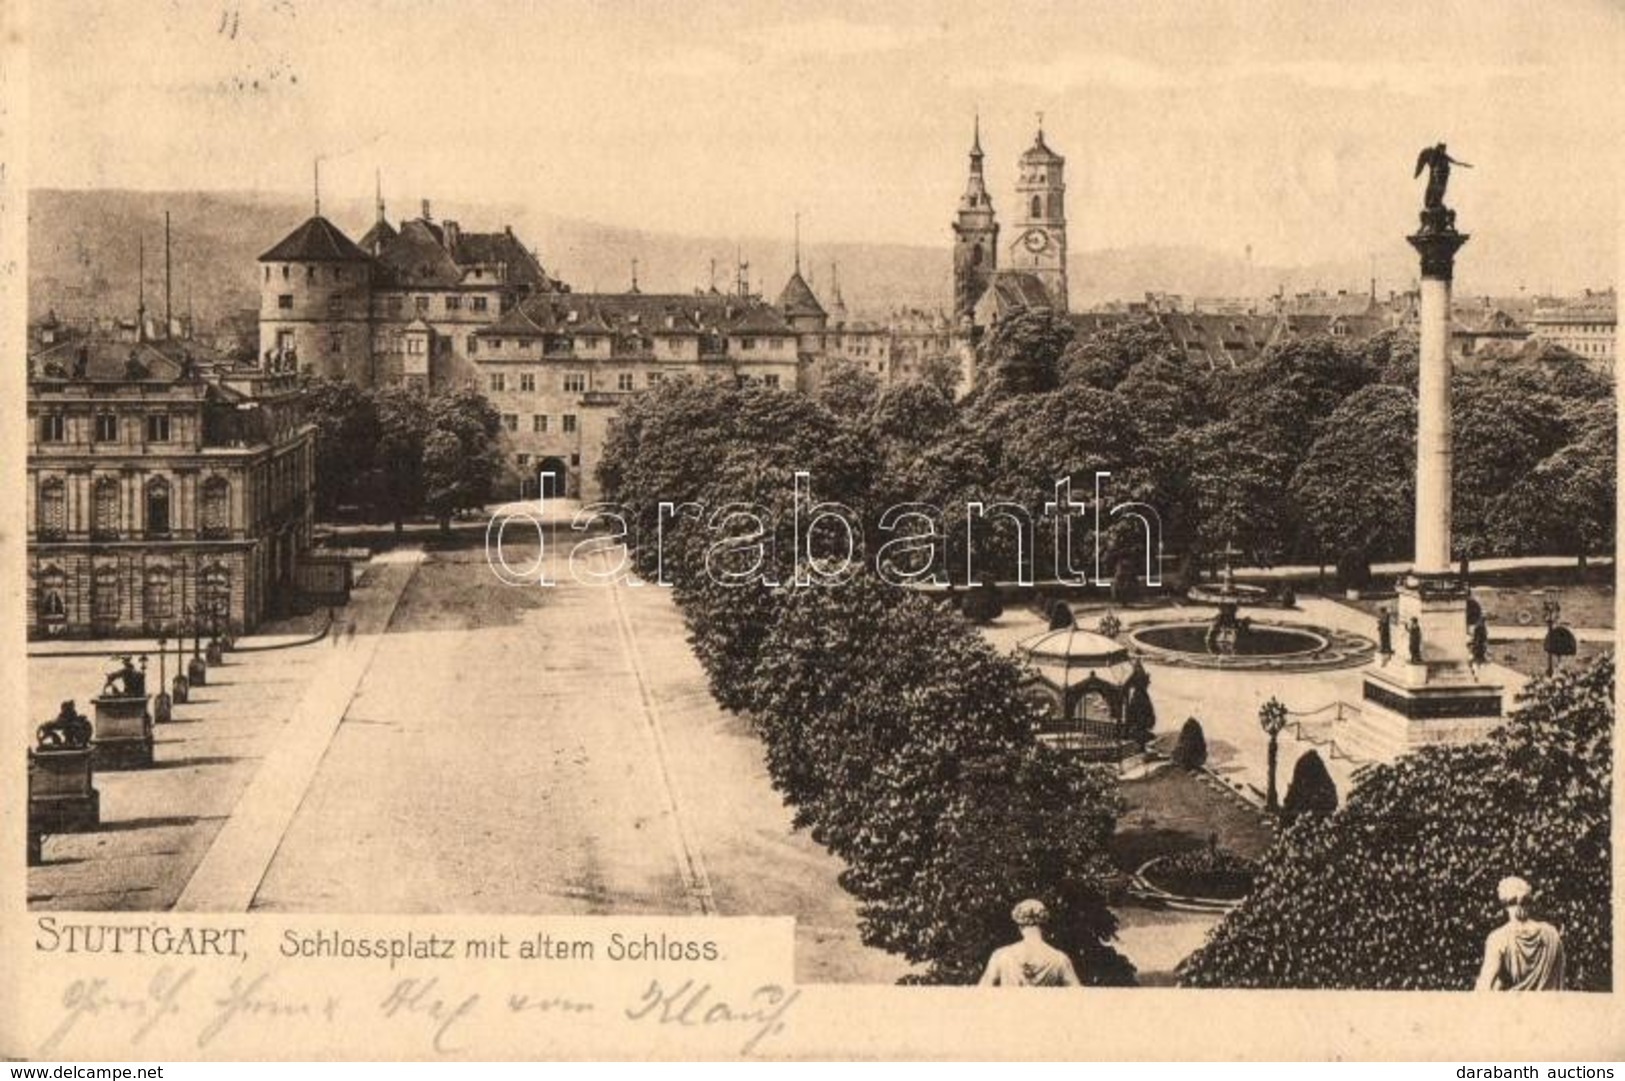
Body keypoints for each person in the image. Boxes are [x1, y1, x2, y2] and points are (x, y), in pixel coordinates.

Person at [1475, 877, 1565, 991]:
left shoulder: (1498, 938)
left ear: (1505, 903)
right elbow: (1559, 981)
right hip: (1547, 1006)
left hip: (1516, 1007)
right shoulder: (1551, 934)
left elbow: (1485, 985)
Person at [978, 899, 1081, 987]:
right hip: (1045, 1010)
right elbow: (1079, 997)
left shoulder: (1001, 956)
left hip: (1009, 1010)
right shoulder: (1060, 959)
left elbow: (981, 994)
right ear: (1044, 925)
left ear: (1020, 926)